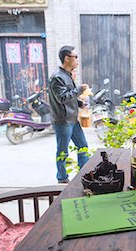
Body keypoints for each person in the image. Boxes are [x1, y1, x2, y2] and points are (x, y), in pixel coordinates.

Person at [49, 45, 90, 184]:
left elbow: (68, 97)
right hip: (63, 121)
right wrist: (80, 89)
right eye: (75, 57)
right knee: (62, 151)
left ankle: (84, 174)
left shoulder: (67, 75)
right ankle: (62, 178)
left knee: (83, 147)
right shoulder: (57, 77)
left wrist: (79, 103)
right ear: (67, 58)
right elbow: (61, 98)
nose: (77, 60)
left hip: (73, 119)